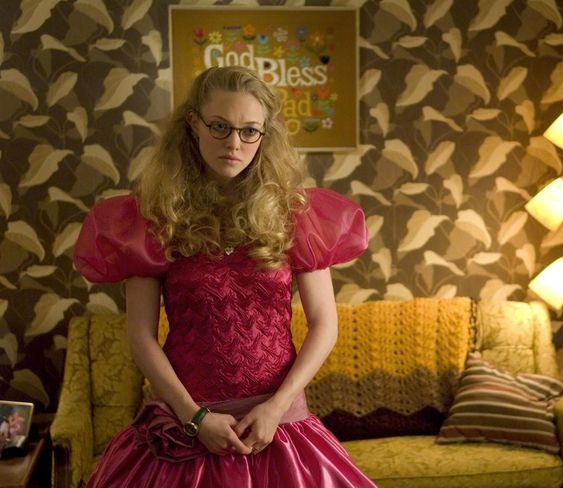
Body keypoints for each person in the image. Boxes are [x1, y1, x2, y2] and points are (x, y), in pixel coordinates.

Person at [74, 66, 375, 487]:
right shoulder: (153, 219)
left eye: (249, 130)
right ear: (194, 123)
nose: (234, 143)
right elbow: (140, 338)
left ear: (264, 135)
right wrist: (195, 418)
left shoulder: (297, 216)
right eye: (220, 126)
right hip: (189, 426)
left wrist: (276, 408)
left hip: (276, 427)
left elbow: (325, 324)